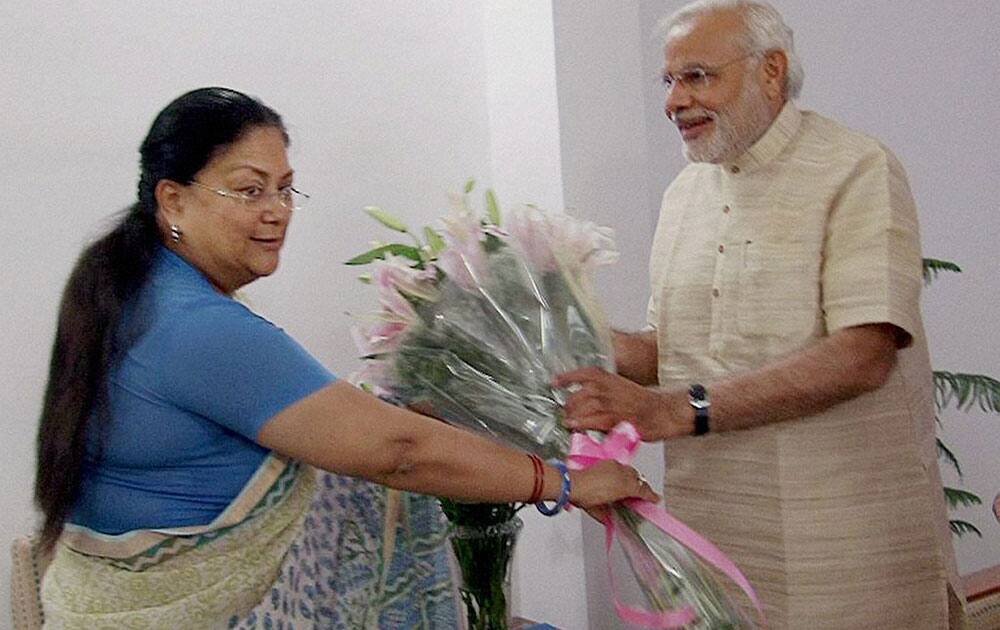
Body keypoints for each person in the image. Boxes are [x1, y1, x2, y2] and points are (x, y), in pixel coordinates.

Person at [34, 87, 658, 629]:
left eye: (284, 189)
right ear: (173, 201)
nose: (276, 212)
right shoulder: (198, 327)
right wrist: (566, 483)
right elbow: (398, 452)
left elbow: (344, 426)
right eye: (250, 191)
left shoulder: (140, 293)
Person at [555, 1, 962, 628]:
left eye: (697, 75)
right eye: (668, 81)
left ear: (772, 71)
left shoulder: (855, 167)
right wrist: (568, 339)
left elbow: (863, 354)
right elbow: (677, 348)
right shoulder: (685, 194)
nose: (674, 101)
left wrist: (667, 410)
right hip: (714, 533)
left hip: (846, 546)